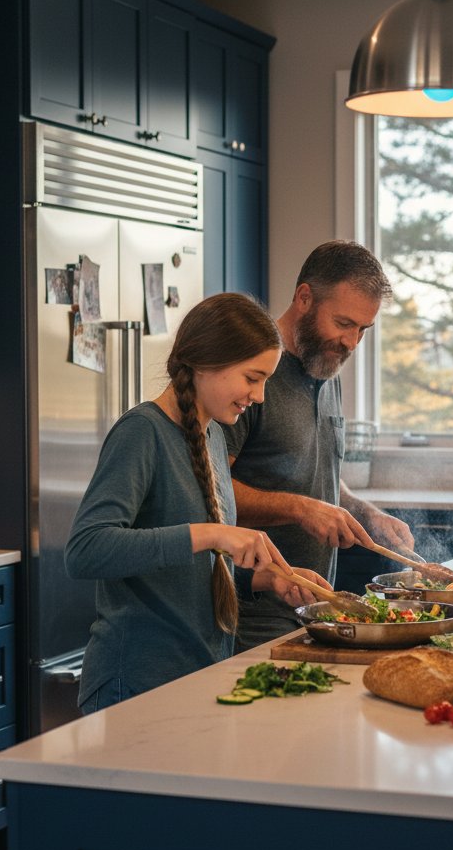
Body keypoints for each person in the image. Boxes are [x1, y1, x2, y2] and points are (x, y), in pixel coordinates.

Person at [65, 292, 331, 714]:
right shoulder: (142, 432)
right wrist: (209, 534)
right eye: (252, 377)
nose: (259, 396)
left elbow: (191, 575)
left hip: (196, 678)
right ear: (208, 362)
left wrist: (268, 581)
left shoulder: (212, 437)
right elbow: (85, 551)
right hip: (134, 685)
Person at [221, 240, 415, 649]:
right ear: (304, 298)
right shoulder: (249, 375)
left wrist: (364, 512)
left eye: (364, 329)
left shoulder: (325, 367)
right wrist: (300, 509)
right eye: (344, 323)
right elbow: (211, 492)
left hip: (312, 610)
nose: (352, 343)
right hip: (250, 616)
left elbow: (318, 478)